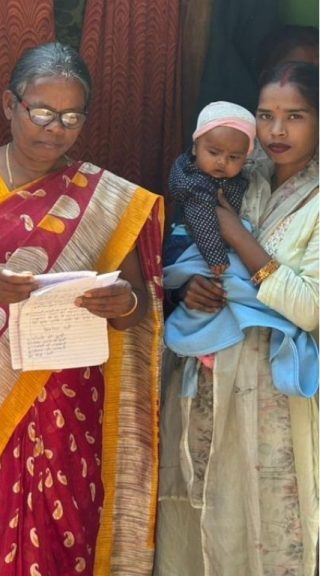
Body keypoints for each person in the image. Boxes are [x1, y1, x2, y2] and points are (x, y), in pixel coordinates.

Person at [0, 42, 163, 575]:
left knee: (66, 531)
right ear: (10, 104)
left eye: (71, 117)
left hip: (71, 404)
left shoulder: (103, 197)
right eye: (42, 112)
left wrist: (123, 302)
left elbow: (135, 308)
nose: (55, 129)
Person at [155, 62, 319, 576]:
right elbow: (184, 250)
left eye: (295, 116)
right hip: (201, 378)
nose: (276, 130)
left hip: (274, 396)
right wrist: (190, 286)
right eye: (266, 115)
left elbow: (308, 307)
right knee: (194, 513)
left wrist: (236, 236)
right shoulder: (237, 174)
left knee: (268, 524)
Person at [166, 101, 256, 273]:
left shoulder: (240, 177)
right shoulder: (195, 183)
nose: (222, 162)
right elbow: (201, 218)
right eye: (214, 153)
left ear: (246, 158)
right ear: (195, 148)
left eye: (234, 157)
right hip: (190, 243)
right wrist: (215, 256)